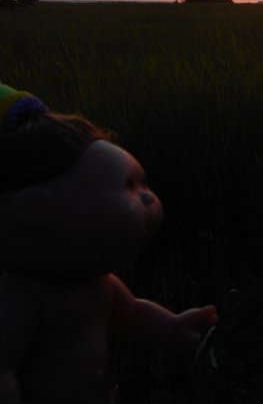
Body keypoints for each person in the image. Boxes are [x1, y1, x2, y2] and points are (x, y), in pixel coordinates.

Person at [0, 83, 217, 403]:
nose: (147, 197)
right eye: (129, 185)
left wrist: (171, 327)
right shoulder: (24, 297)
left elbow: (129, 314)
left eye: (143, 183)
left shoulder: (101, 285)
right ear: (37, 209)